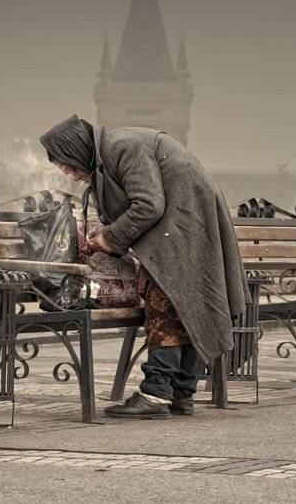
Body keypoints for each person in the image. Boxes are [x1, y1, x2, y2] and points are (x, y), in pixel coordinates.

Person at [40, 114, 248, 419]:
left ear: (77, 149)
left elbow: (149, 204)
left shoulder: (124, 147)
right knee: (186, 306)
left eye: (66, 162)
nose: (67, 172)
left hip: (181, 225)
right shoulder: (112, 150)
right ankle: (181, 393)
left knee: (162, 303)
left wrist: (109, 238)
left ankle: (156, 393)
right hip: (185, 222)